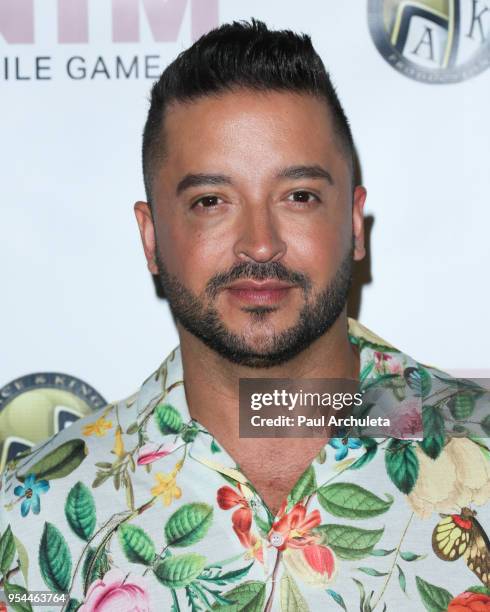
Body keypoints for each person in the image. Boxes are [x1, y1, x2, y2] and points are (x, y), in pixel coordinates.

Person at [1, 20, 489, 612]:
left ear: (354, 223)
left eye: (299, 196)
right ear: (151, 237)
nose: (260, 245)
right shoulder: (33, 512)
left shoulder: (480, 452)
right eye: (211, 202)